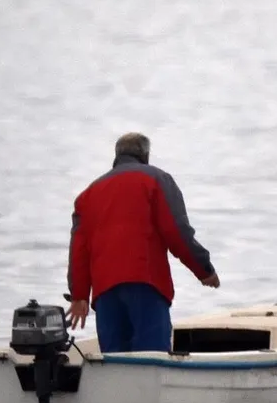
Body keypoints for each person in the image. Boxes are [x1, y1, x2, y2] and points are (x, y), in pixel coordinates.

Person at [66, 132, 220, 353]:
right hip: (146, 283)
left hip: (106, 292)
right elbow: (176, 232)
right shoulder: (157, 180)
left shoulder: (87, 195)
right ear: (145, 155)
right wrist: (204, 270)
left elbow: (78, 250)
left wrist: (79, 295)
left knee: (114, 361)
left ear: (116, 156)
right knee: (151, 357)